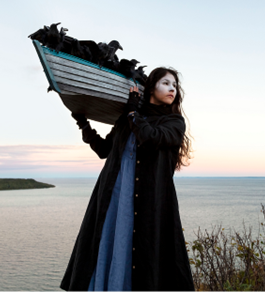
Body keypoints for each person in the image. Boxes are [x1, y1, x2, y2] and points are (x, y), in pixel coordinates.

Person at [60, 67, 194, 291]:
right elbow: (105, 150)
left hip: (150, 203)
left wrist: (132, 112)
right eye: (166, 83)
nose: (172, 89)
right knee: (110, 244)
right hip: (115, 197)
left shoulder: (174, 123)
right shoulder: (126, 120)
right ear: (151, 88)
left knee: (144, 253)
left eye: (175, 86)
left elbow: (151, 137)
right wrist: (83, 123)